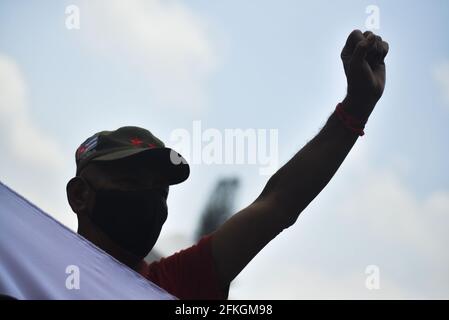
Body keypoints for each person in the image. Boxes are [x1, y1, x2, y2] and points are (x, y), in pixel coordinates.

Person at [66, 30, 389, 299]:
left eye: (161, 190)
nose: (151, 200)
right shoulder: (24, 263)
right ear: (80, 195)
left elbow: (277, 204)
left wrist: (357, 108)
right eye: (134, 181)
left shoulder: (176, 284)